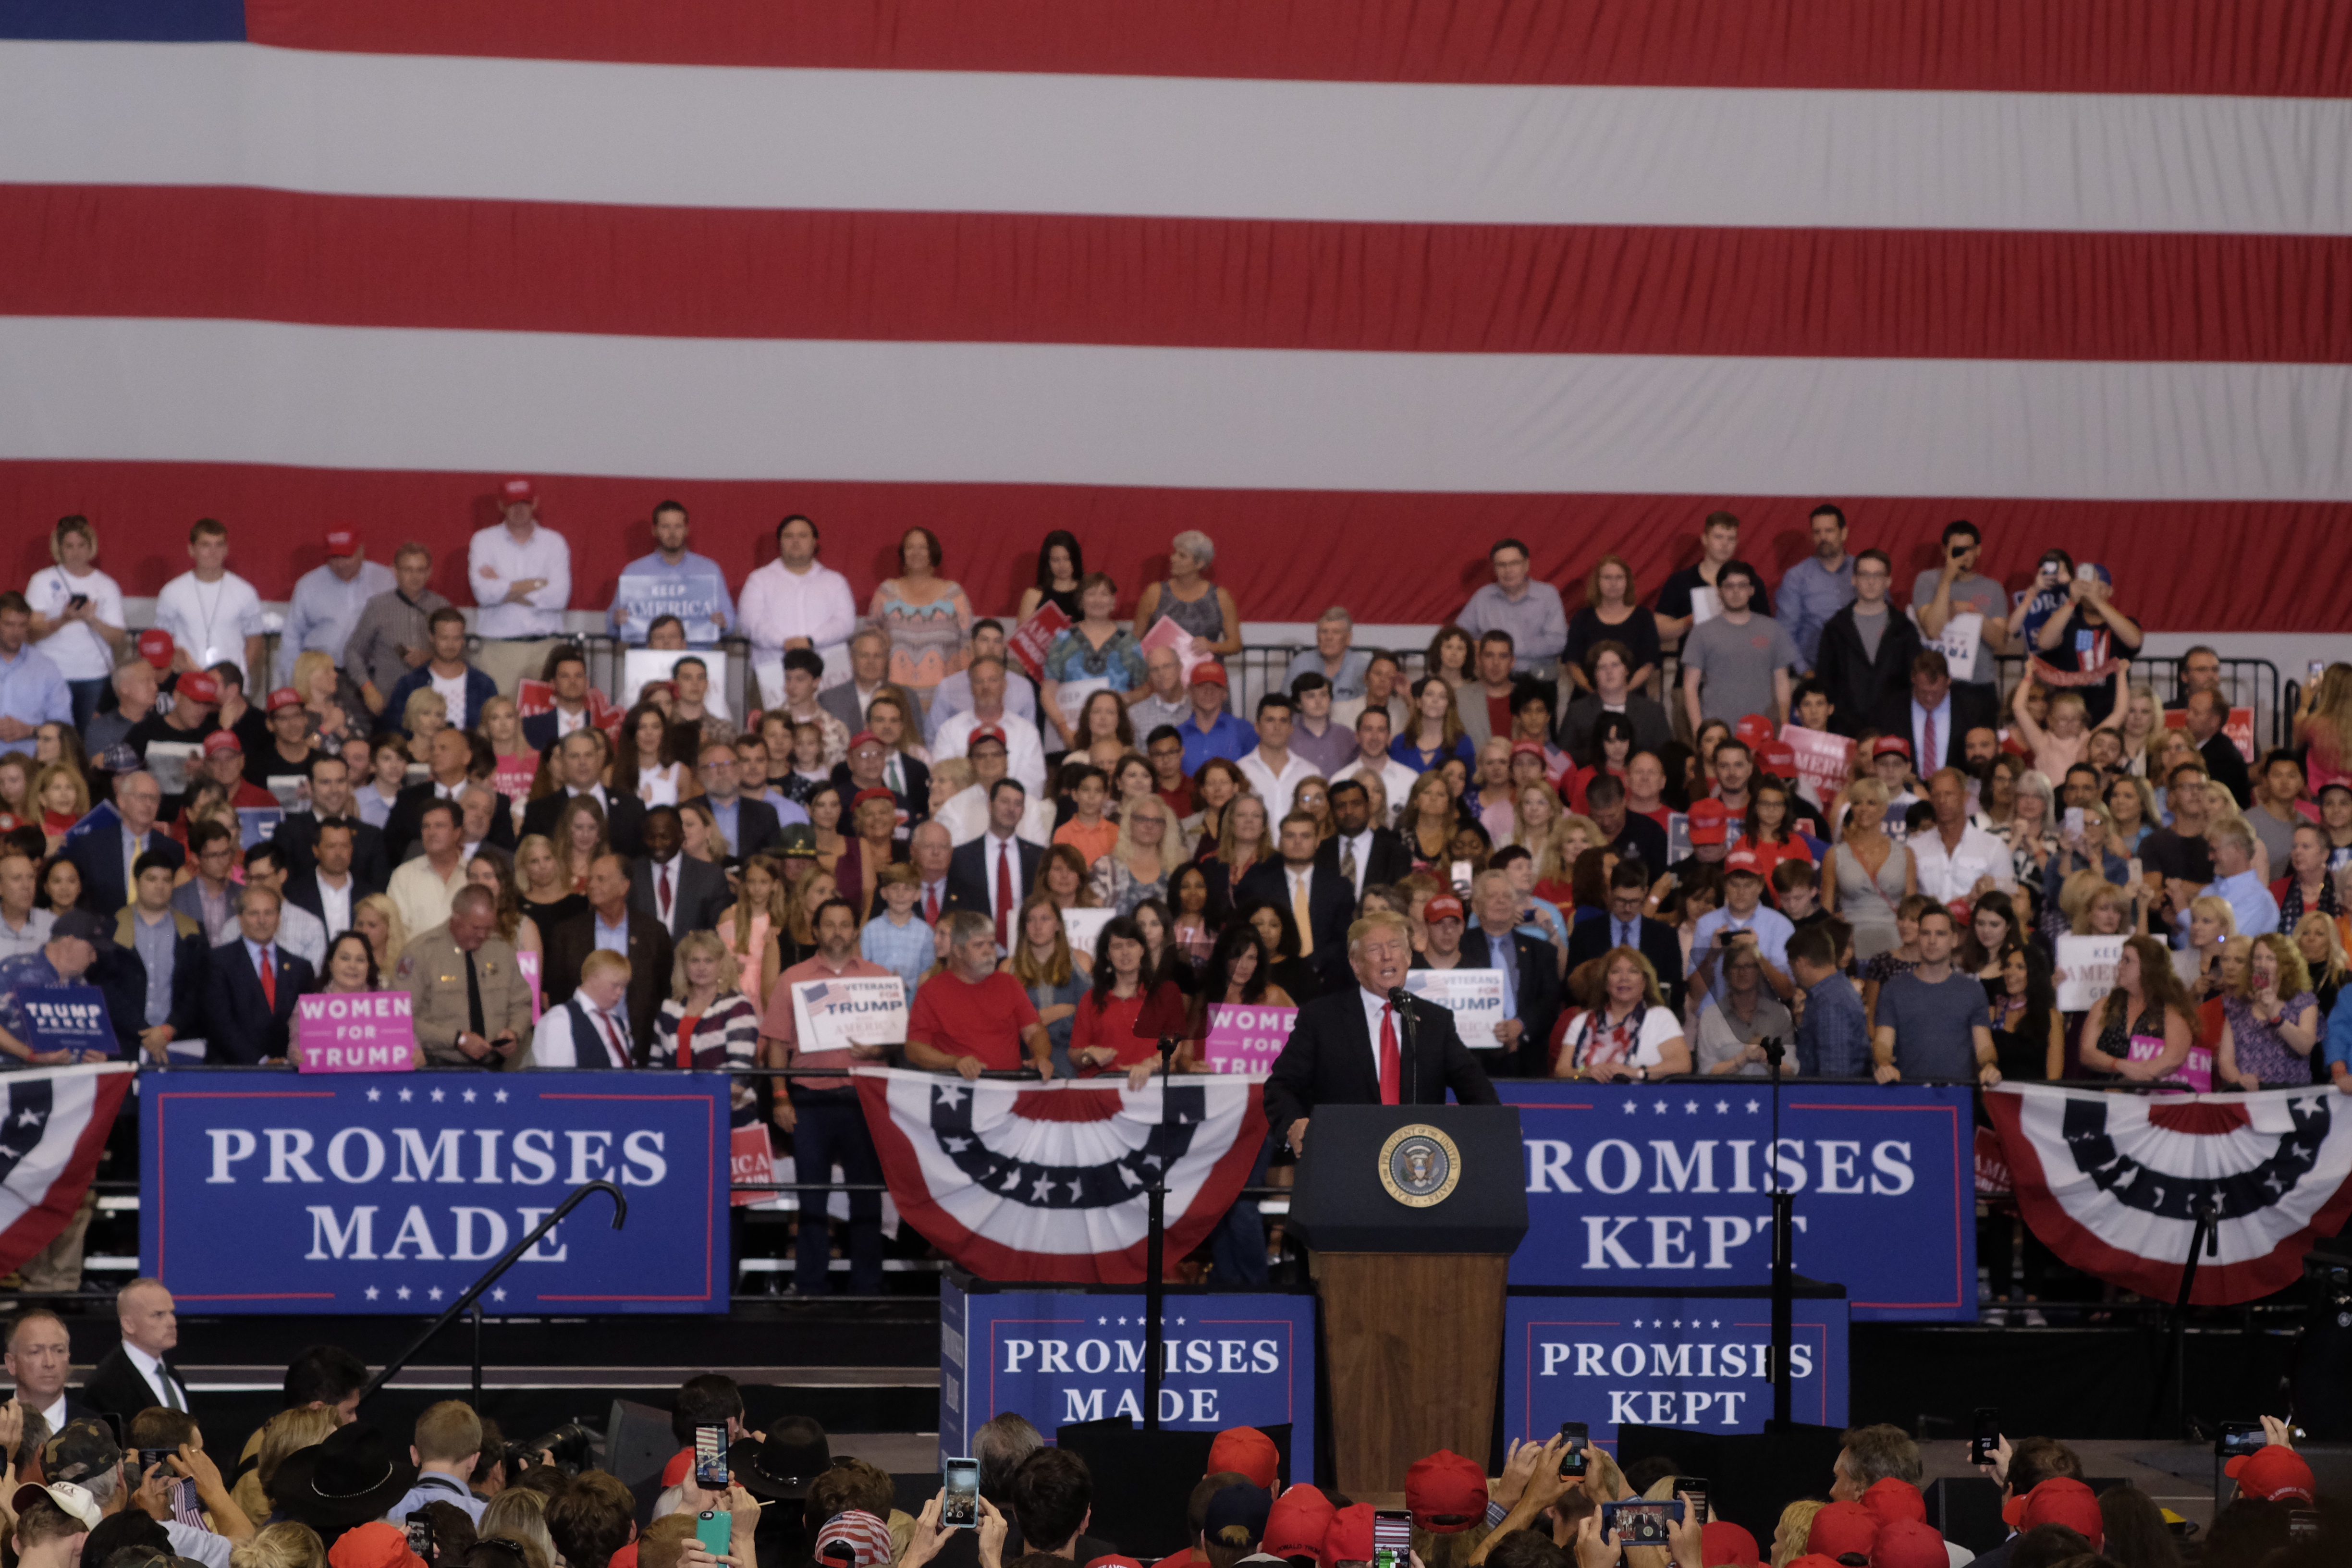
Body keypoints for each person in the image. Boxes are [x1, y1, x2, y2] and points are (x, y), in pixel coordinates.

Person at [1262, 909, 1500, 1148]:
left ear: (1408, 958)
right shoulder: (1321, 1018)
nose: (1387, 956)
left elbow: (1473, 1084)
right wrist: (1294, 1124)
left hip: (1416, 1162)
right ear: (1356, 964)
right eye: (1375, 949)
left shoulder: (1435, 1020)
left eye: (1395, 947)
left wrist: (1499, 1125)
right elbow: (1281, 1085)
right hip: (1344, 1155)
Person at [542, 853, 673, 1052]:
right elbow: (557, 994)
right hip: (584, 1044)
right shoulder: (567, 934)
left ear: (624, 886)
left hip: (642, 1047)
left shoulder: (653, 933)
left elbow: (665, 991)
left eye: (601, 879)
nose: (592, 885)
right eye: (591, 879)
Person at [906, 911, 1052, 1078]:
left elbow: (1034, 1032)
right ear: (958, 951)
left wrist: (1041, 1056)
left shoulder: (1010, 984)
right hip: (958, 1088)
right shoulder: (931, 990)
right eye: (978, 945)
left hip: (1009, 1086)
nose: (988, 951)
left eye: (991, 944)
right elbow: (914, 1048)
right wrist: (954, 1062)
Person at [1871, 908, 2000, 1085]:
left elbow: (1984, 1045)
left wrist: (1989, 1066)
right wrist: (1884, 1064)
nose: (1932, 941)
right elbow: (1883, 1043)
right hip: (1909, 1095)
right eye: (1925, 933)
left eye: (1940, 934)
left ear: (1954, 940)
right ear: (1918, 937)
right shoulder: (1894, 989)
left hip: (1958, 1097)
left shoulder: (1973, 990)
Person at [24, 516, 127, 727]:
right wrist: (63, 619)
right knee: (53, 739)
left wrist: (91, 619)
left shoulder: (106, 585)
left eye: (81, 545)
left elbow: (118, 636)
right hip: (52, 675)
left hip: (94, 676)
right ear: (59, 548)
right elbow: (32, 632)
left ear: (91, 547)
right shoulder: (41, 581)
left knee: (87, 743)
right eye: (69, 546)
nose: (76, 552)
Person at [1460, 870, 1563, 1074]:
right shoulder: (1459, 948)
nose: (1501, 901)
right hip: (1470, 1060)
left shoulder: (1541, 951)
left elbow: (1551, 999)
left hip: (1528, 1055)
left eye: (1507, 896)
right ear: (1476, 906)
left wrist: (1520, 1026)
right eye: (1492, 896)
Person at [1237, 811, 1351, 990]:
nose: (1298, 842)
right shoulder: (1259, 888)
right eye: (1290, 836)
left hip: (1328, 980)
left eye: (1305, 836)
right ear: (1280, 842)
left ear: (1317, 841)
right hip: (1271, 978)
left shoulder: (1339, 887)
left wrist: (1311, 966)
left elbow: (1344, 937)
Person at [740, 513, 858, 685]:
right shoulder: (759, 580)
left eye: (803, 536)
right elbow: (751, 623)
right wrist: (784, 642)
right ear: (780, 541)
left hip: (828, 676)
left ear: (814, 542)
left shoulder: (834, 581)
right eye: (789, 536)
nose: (796, 541)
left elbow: (846, 623)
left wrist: (810, 641)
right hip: (773, 675)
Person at [1679, 561, 1796, 734]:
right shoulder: (1701, 632)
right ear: (1719, 592)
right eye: (1729, 586)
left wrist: (1785, 722)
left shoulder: (1772, 629)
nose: (1736, 592)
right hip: (1718, 731)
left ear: (1752, 590)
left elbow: (1782, 681)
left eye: (1742, 586)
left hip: (1764, 729)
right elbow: (1690, 687)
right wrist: (1700, 732)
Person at [202, 884, 315, 1064]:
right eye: (254, 913)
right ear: (240, 917)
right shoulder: (218, 961)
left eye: (269, 913)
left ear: (279, 918)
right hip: (233, 1073)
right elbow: (220, 1025)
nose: (262, 921)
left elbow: (306, 1025)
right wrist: (262, 1062)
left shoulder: (301, 967)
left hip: (286, 1073)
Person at [868, 528, 973, 713]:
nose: (916, 553)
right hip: (894, 703)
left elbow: (968, 647)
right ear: (903, 553)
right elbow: (870, 643)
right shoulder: (886, 592)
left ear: (933, 553)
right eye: (910, 547)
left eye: (922, 548)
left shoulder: (953, 594)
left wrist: (964, 695)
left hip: (945, 702)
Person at [152, 517, 265, 688]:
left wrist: (236, 674)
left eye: (219, 545)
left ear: (226, 550)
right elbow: (165, 641)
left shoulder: (245, 592)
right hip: (187, 683)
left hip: (230, 687)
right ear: (192, 550)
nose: (213, 552)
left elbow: (255, 641)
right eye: (206, 545)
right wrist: (192, 670)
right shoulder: (172, 592)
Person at [1556, 946, 1690, 1082]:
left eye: (1633, 971)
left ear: (1645, 982)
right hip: (1589, 1100)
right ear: (1605, 983)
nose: (1624, 978)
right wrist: (1585, 1071)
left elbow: (1682, 1064)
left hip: (1643, 1100)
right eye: (1615, 972)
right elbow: (1562, 1070)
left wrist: (1635, 1072)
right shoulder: (1581, 1021)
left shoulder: (1660, 1017)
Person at [609, 500, 734, 645]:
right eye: (666, 527)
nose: (672, 533)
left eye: (678, 526)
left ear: (687, 530)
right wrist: (616, 620)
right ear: (654, 531)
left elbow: (730, 621)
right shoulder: (634, 572)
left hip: (696, 656)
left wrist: (723, 622)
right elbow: (611, 625)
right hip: (646, 657)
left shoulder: (709, 570)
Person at [2033, 561, 2142, 725]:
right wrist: (2071, 601)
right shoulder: (2068, 623)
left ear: (2110, 591)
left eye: (2098, 586)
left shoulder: (2123, 623)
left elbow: (2134, 640)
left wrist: (2098, 601)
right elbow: (2044, 642)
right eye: (2086, 585)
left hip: (2113, 714)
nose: (2090, 590)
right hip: (2070, 719)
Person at [468, 478, 571, 649]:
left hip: (545, 645)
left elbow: (559, 598)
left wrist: (503, 585)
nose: (519, 509)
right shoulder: (483, 541)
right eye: (512, 504)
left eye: (525, 503)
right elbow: (483, 593)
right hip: (497, 645)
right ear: (501, 506)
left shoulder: (554, 542)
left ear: (535, 503)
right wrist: (536, 584)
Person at [945, 781, 1045, 949]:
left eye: (1018, 804)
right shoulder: (962, 856)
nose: (1011, 809)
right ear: (990, 805)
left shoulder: (1038, 856)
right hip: (976, 950)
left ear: (1023, 812)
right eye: (1005, 801)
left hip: (1027, 948)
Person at [930, 659, 1051, 797]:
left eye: (993, 680)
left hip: (1013, 811)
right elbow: (942, 779)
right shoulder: (949, 730)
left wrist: (1000, 804)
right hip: (963, 811)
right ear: (971, 687)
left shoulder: (1027, 732)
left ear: (1005, 685)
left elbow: (1033, 785)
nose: (986, 686)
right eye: (979, 681)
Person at [521, 731, 649, 858]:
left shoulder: (632, 807)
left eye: (589, 755)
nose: (582, 762)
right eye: (574, 756)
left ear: (599, 759)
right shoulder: (539, 812)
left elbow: (642, 861)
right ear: (563, 761)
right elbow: (526, 859)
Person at [2216, 933, 2319, 1090]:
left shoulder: (2303, 1002)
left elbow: (2305, 1046)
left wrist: (2274, 1014)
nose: (2262, 964)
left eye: (2271, 959)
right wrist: (2240, 1079)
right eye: (2258, 958)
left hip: (2290, 1096)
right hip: (2248, 1096)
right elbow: (2225, 1061)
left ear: (2285, 966)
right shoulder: (2238, 1004)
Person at [82, 1275, 194, 1419]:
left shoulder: (172, 1377)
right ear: (129, 1325)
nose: (172, 1322)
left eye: (172, 1313)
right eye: (158, 1315)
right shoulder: (106, 1385)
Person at [1458, 539, 1566, 678]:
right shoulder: (1483, 597)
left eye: (1514, 563)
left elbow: (1558, 642)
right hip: (1494, 677)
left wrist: (1507, 648)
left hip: (1537, 677)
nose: (1508, 570)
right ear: (1494, 568)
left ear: (1527, 565)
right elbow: (1459, 635)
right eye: (1501, 565)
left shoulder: (1548, 595)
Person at [1653, 510, 1769, 640]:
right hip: (1695, 657)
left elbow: (1766, 629)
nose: (1725, 544)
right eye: (1719, 537)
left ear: (1736, 544)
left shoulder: (1751, 582)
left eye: (1731, 538)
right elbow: (1659, 628)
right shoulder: (1680, 581)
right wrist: (1688, 622)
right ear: (1705, 539)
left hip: (1741, 657)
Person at [1911, 768, 2016, 906]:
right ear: (1930, 800)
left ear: (1965, 797)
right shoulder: (1915, 847)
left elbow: (2006, 902)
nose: (1942, 801)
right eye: (1936, 795)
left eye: (1949, 794)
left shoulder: (1994, 847)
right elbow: (1910, 903)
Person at [1134, 530, 1242, 660]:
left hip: (1207, 675)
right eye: (1175, 553)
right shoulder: (1154, 593)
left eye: (1182, 556)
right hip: (1162, 676)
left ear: (1199, 564)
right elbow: (1135, 640)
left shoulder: (1221, 597)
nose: (1173, 559)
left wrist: (1211, 646)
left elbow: (1235, 644)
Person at [630, 805, 732, 941]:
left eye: (664, 837)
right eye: (651, 837)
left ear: (681, 836)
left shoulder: (710, 876)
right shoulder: (631, 873)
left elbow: (718, 932)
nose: (657, 844)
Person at [1692, 941, 1793, 1076]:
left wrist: (1767, 1058)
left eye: (1749, 966)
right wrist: (1743, 1058)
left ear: (1759, 972)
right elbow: (1705, 1072)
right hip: (1726, 1095)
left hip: (1770, 1094)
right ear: (1726, 973)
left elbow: (1792, 1071)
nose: (1742, 973)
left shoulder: (1780, 1014)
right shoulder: (1711, 1017)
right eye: (1735, 967)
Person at [1777, 503, 1857, 673]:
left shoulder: (1864, 572)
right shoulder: (1797, 577)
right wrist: (1804, 672)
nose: (1823, 537)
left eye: (1829, 531)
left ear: (1844, 533)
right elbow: (1785, 633)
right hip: (1813, 672)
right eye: (1817, 532)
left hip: (1859, 671)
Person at [1788, 920, 1870, 1077]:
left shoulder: (1832, 1002)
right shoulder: (1826, 995)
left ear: (1801, 963)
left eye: (1791, 967)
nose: (1793, 974)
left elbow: (1836, 1074)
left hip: (1830, 1098)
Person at [0, 593, 71, 760]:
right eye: (9, 624)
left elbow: (65, 728)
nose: (16, 632)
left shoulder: (46, 668)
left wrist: (30, 731)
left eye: (22, 625)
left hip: (33, 763)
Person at [388, 800, 471, 941]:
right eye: (426, 827)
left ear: (457, 833)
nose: (431, 832)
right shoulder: (404, 876)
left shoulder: (473, 875)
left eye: (440, 826)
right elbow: (396, 932)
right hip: (418, 960)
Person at [2195, 816, 2280, 938]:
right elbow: (2193, 946)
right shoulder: (2207, 892)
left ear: (2236, 848)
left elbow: (2226, 941)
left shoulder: (2259, 900)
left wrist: (2182, 912)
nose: (2210, 857)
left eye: (2214, 850)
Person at [1281, 607, 1372, 702]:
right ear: (1317, 636)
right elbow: (1286, 703)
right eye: (1324, 631)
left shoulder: (1363, 667)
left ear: (1348, 638)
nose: (1329, 637)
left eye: (1336, 632)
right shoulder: (1301, 663)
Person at [820, 627, 895, 736]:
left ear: (887, 660)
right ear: (852, 658)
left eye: (878, 656)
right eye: (864, 656)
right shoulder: (830, 700)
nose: (871, 662)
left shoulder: (906, 698)